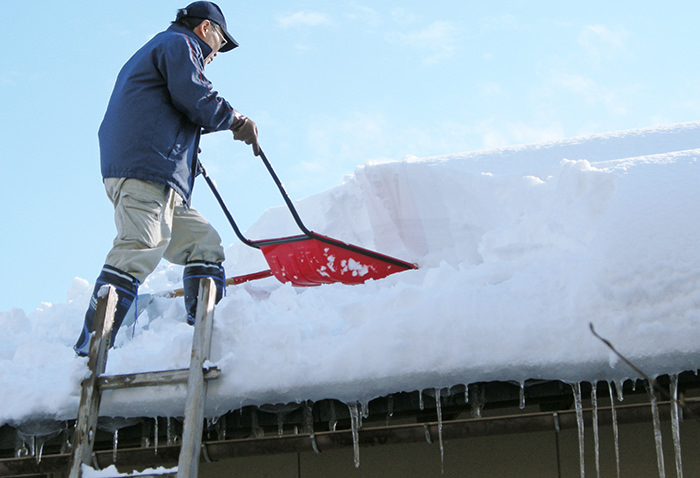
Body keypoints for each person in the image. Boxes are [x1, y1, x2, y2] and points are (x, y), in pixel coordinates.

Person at [73, 1, 259, 356]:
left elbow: (170, 108)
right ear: (206, 29)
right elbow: (195, 95)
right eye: (221, 41)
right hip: (147, 171)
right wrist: (236, 119)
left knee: (204, 244)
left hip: (160, 175)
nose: (217, 53)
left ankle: (205, 338)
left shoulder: (164, 48)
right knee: (138, 247)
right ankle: (89, 353)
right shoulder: (179, 45)